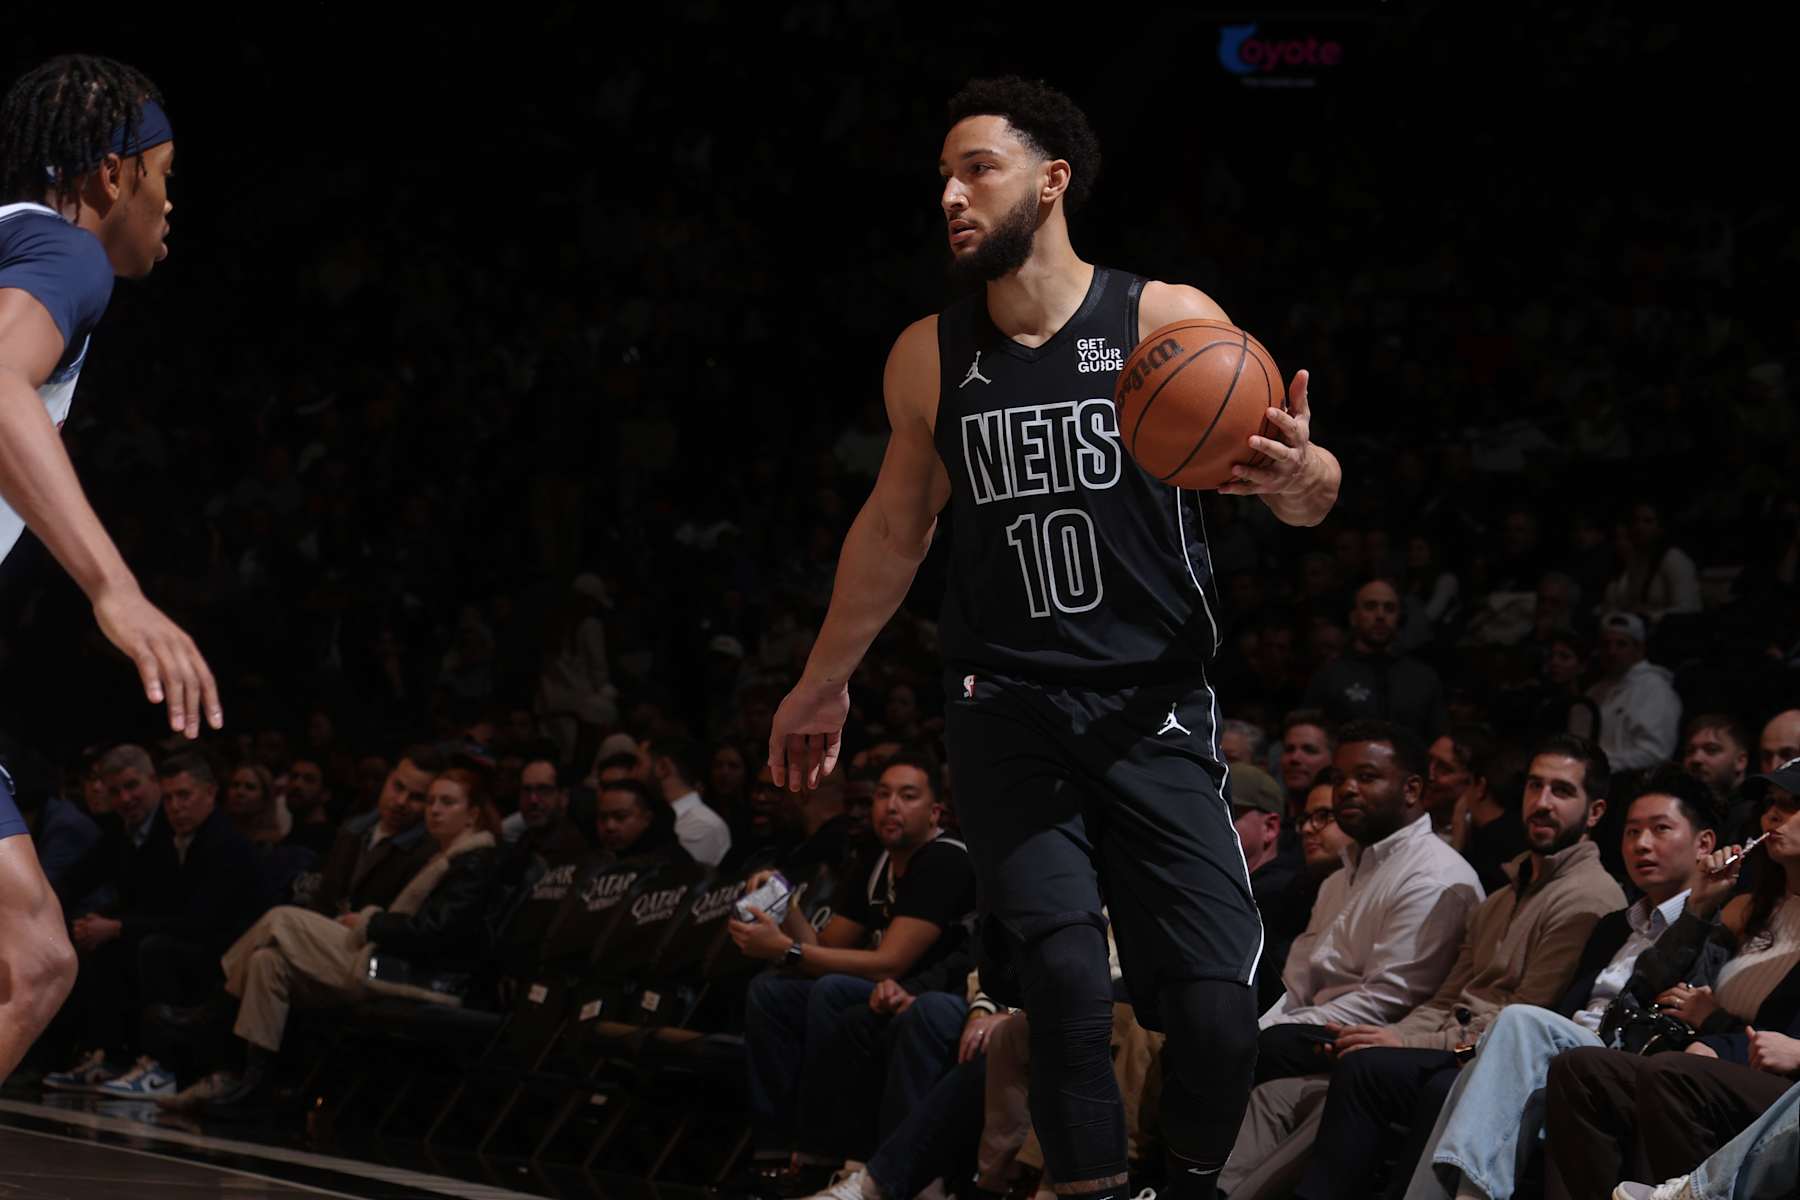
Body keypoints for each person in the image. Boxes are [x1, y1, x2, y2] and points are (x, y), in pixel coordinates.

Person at [766, 75, 1341, 1200]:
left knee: (1220, 1013)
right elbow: (893, 531)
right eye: (942, 176)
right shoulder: (931, 356)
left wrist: (1299, 476)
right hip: (1007, 706)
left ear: (1053, 178)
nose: (951, 193)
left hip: (1153, 706)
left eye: (977, 167)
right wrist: (821, 682)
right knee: (1069, 977)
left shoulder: (1165, 321)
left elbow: (1308, 488)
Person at [0, 53, 230, 1080]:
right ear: (110, 176)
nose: (171, 201)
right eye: (165, 173)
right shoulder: (66, 254)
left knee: (34, 961)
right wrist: (114, 587)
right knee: (31, 967)